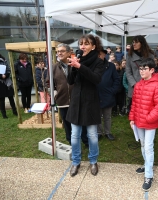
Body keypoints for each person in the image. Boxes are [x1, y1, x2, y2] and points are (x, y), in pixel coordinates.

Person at [66, 34, 105, 177]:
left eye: (86, 44)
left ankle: (93, 161)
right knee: (74, 136)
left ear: (93, 46)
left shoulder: (99, 62)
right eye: (81, 43)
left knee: (92, 136)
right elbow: (70, 81)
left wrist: (79, 66)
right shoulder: (77, 58)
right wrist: (73, 67)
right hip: (76, 102)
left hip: (91, 102)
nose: (82, 46)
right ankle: (76, 162)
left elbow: (96, 79)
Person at [129, 58, 158, 191]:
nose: (142, 71)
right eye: (140, 69)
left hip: (150, 122)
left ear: (151, 70)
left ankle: (149, 175)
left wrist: (150, 117)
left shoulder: (157, 85)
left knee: (148, 147)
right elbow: (134, 103)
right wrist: (132, 118)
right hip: (139, 121)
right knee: (143, 144)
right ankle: (146, 164)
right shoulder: (138, 85)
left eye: (145, 69)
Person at [47, 43, 88, 147]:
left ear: (70, 52)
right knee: (67, 123)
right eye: (58, 51)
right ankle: (71, 142)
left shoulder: (76, 64)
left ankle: (85, 140)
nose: (59, 53)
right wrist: (56, 94)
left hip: (78, 99)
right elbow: (48, 83)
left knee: (82, 121)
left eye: (62, 51)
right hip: (63, 100)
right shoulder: (53, 67)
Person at [125, 35, 155, 113]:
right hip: (134, 87)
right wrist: (134, 84)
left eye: (136, 42)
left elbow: (152, 71)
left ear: (142, 43)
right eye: (133, 42)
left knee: (146, 110)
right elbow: (128, 72)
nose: (134, 44)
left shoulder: (150, 55)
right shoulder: (129, 56)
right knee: (134, 111)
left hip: (147, 86)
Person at [97, 48, 120, 140]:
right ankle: (98, 133)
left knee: (107, 116)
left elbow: (116, 79)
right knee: (97, 116)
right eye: (97, 54)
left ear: (104, 55)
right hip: (96, 94)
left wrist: (113, 90)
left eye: (101, 54)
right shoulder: (93, 66)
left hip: (108, 95)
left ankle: (107, 132)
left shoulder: (110, 66)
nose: (99, 56)